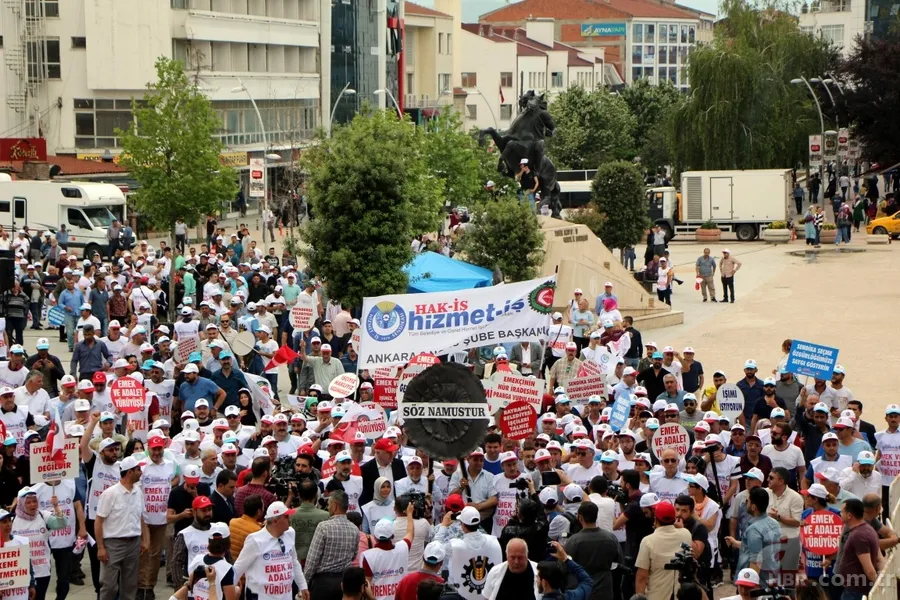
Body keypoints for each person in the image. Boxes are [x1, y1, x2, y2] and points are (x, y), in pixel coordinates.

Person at [95, 455, 150, 600]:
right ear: (129, 472)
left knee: (130, 585)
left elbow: (141, 518)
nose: (141, 472)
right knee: (109, 585)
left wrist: (145, 539)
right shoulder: (110, 494)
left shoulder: (138, 492)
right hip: (113, 544)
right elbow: (99, 521)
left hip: (134, 543)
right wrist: (100, 547)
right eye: (138, 469)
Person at [232, 501, 309, 600]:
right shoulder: (255, 540)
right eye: (286, 517)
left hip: (285, 596)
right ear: (275, 521)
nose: (289, 519)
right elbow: (238, 569)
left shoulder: (290, 533)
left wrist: (303, 586)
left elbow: (294, 562)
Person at [305, 490, 363, 600]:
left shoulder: (323, 527)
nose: (328, 507)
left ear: (335, 506)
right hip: (344, 585)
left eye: (329, 505)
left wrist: (305, 583)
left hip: (322, 585)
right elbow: (353, 555)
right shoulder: (354, 529)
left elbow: (312, 560)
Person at [634, 500, 693, 600]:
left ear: (656, 519)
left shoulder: (648, 541)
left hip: (657, 595)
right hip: (681, 595)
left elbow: (642, 577)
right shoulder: (686, 534)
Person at [565, 501, 623, 600]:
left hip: (582, 590)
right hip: (604, 590)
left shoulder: (574, 541)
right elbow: (619, 561)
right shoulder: (610, 537)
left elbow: (564, 565)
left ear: (580, 517)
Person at [360, 503, 415, 600]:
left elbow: (366, 582)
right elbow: (410, 532)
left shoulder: (368, 556)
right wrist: (409, 514)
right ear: (392, 536)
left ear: (375, 537)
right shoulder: (403, 548)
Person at [446, 506, 503, 599]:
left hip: (462, 596)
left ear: (463, 525)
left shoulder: (455, 546)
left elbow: (436, 550)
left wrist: (443, 526)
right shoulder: (495, 541)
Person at [836, 498, 883, 600]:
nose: (840, 514)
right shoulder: (869, 529)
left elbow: (869, 569)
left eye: (842, 512)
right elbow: (879, 559)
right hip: (856, 589)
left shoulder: (858, 535)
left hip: (855, 591)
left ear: (849, 515)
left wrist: (880, 587)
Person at [290, 479, 329, 561]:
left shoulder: (289, 514)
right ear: (316, 495)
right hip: (318, 561)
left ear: (299, 495)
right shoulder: (326, 516)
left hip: (294, 559)